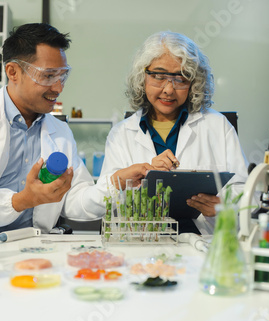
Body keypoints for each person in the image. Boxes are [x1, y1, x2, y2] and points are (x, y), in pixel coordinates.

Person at [0, 23, 114, 233]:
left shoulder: (60, 131)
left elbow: (75, 200)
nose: (58, 87)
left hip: (40, 248)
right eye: (48, 76)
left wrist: (116, 185)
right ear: (13, 72)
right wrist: (21, 201)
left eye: (62, 76)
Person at [96, 31, 248, 235]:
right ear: (143, 77)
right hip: (143, 241)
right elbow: (105, 201)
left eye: (181, 78)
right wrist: (147, 180)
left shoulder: (217, 126)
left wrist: (223, 207)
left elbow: (247, 193)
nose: (168, 89)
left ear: (194, 82)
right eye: (158, 76)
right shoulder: (121, 133)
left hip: (203, 241)